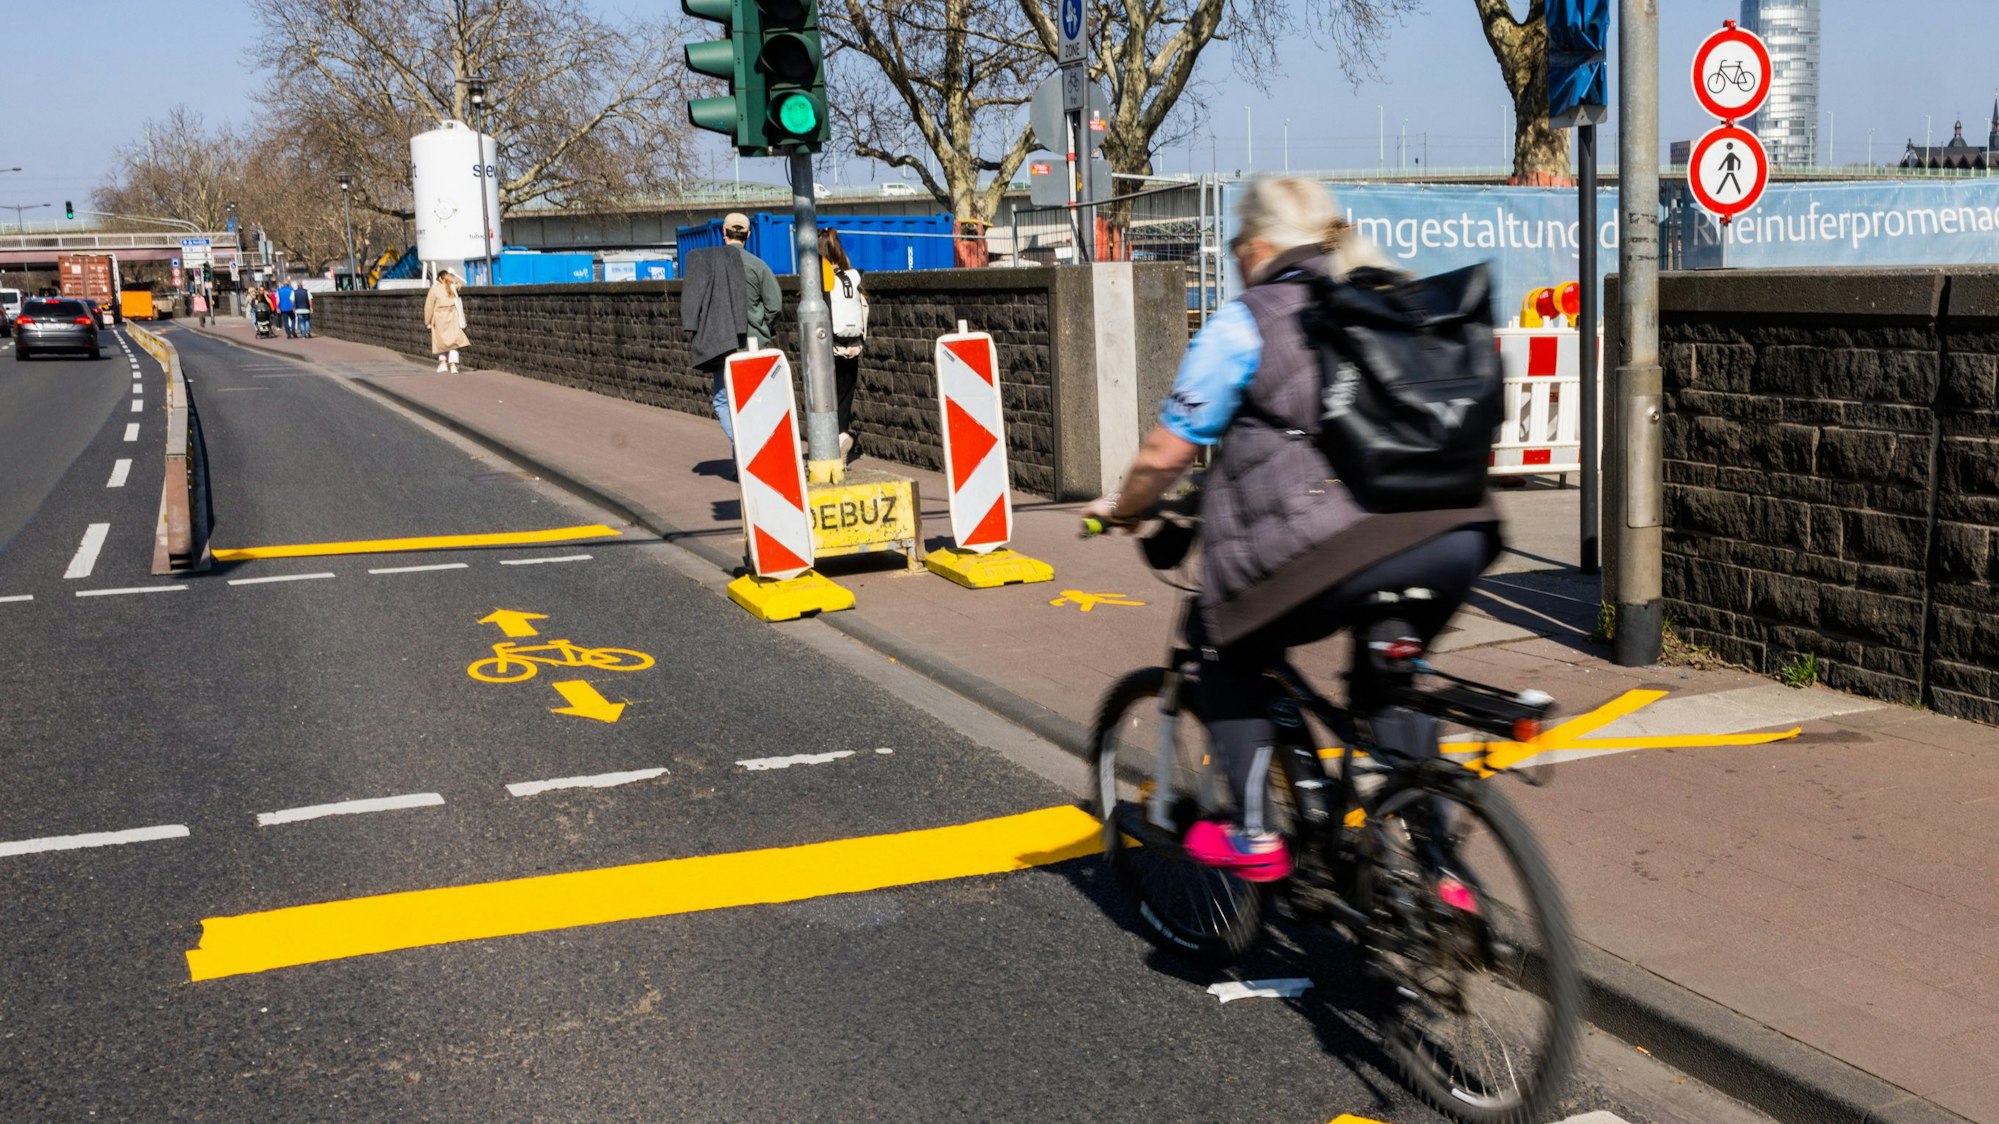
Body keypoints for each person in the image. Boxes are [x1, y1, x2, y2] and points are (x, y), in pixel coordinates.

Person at [1080, 177, 1501, 883]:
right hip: (1457, 533)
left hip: (1336, 547)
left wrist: (1121, 510)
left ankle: (1252, 834)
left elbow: (1163, 454)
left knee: (1223, 646)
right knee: (1386, 683)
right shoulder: (1391, 296)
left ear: (1257, 247)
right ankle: (1437, 874)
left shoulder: (1249, 319)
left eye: (1237, 250)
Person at [681, 212, 780, 445]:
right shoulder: (758, 266)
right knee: (753, 400)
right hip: (753, 345)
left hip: (722, 344)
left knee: (723, 401)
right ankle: (748, 453)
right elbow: (774, 307)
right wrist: (762, 330)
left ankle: (744, 449)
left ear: (723, 233)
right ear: (748, 234)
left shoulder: (711, 264)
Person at [820, 228, 868, 460]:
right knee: (845, 395)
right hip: (852, 345)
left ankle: (831, 446)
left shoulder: (821, 278)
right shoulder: (852, 276)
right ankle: (840, 436)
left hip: (828, 346)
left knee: (824, 396)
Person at [424, 269, 470, 372]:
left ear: (440, 278)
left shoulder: (434, 289)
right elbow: (460, 284)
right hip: (453, 316)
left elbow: (429, 306)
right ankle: (453, 365)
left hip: (439, 317)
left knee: (441, 342)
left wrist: (427, 321)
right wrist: (454, 281)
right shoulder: (453, 287)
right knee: (454, 341)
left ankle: (443, 363)